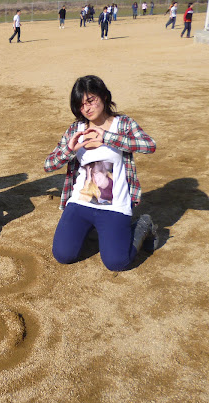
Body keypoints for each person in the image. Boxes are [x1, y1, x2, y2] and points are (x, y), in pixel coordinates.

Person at [44, 75, 158, 271]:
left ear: (104, 97)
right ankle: (90, 229)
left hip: (115, 207)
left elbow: (149, 146)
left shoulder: (123, 124)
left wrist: (107, 138)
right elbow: (49, 165)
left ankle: (143, 224)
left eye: (91, 101)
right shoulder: (76, 129)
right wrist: (69, 151)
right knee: (63, 255)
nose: (87, 109)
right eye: (81, 105)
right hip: (81, 202)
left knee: (116, 262)